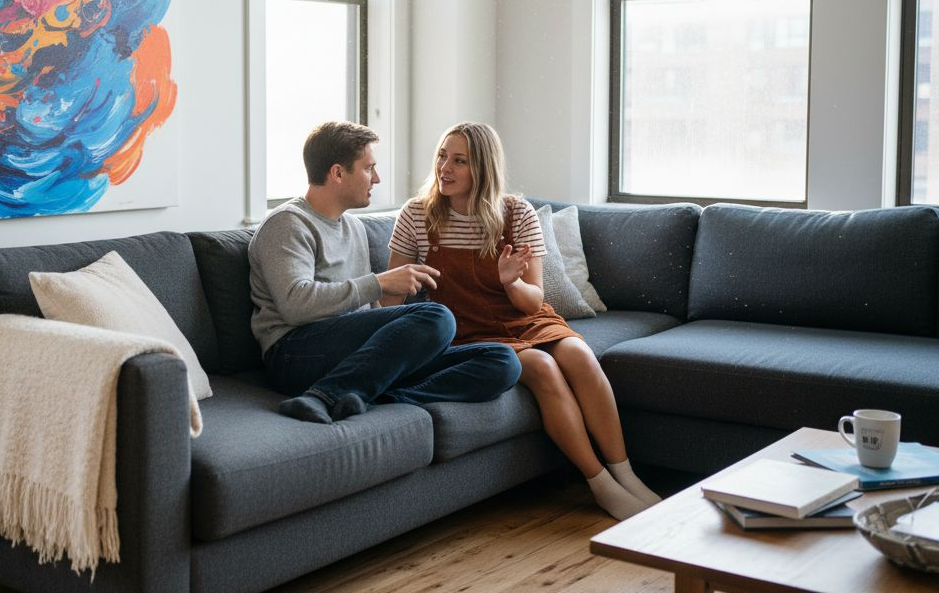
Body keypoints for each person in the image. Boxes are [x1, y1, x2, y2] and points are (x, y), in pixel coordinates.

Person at [385, 122, 661, 519]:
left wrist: (510, 281)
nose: (445, 167)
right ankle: (599, 483)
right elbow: (391, 297)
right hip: (465, 331)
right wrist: (394, 291)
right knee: (542, 366)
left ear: (484, 168)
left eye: (459, 161)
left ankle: (626, 474)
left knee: (581, 357)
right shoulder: (417, 215)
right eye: (442, 156)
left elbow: (533, 300)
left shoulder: (516, 213)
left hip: (523, 317)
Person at [248, 121, 522, 424]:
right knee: (437, 317)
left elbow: (367, 313)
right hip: (294, 353)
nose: (376, 178)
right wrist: (379, 283)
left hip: (357, 354)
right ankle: (322, 395)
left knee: (502, 361)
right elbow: (296, 305)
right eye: (368, 169)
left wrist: (394, 300)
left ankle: (373, 396)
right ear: (338, 173)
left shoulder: (353, 226)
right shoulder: (288, 223)